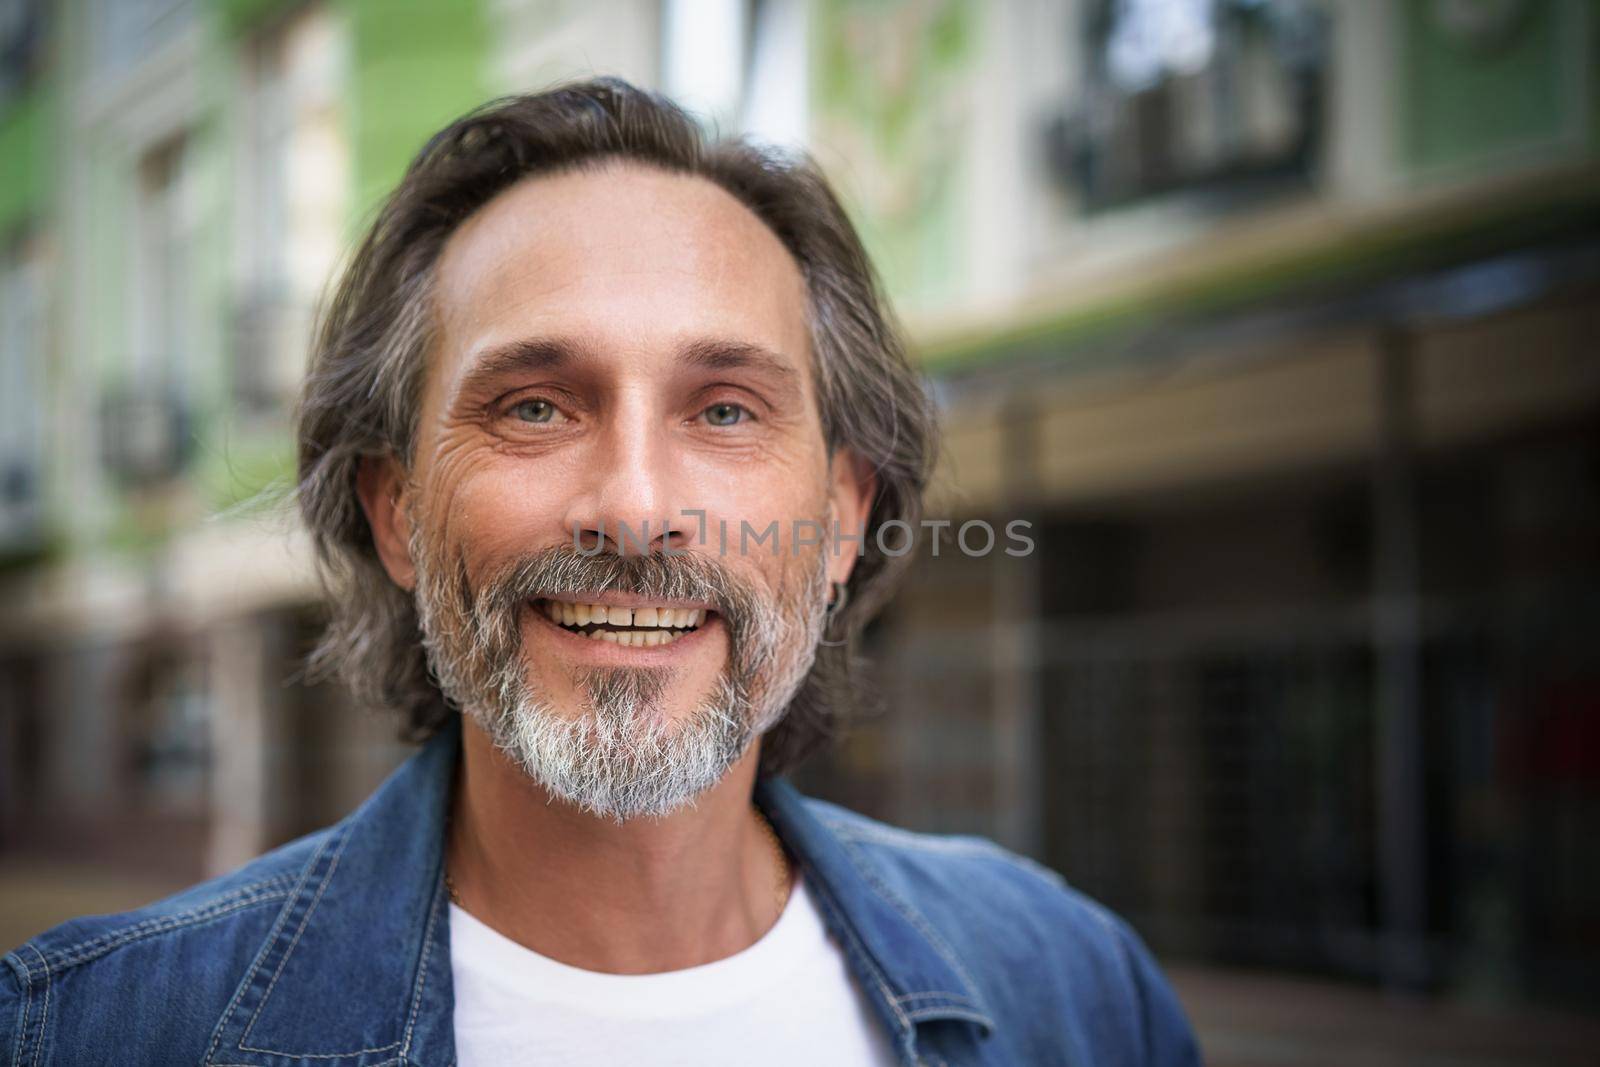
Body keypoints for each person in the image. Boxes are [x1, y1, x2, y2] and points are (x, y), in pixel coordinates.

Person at [0, 78, 1200, 1066]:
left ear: (842, 518)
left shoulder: (1074, 984)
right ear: (398, 510)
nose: (635, 506)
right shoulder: (84, 1033)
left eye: (725, 410)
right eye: (534, 404)